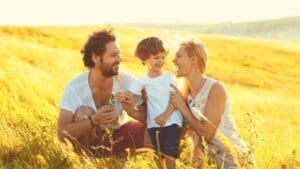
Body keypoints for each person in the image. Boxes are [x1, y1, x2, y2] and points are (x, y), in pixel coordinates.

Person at [57, 28, 147, 157]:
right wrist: (93, 120)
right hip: (91, 141)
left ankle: (121, 159)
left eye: (119, 54)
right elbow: (61, 134)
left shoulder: (126, 81)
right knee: (84, 113)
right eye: (113, 55)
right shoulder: (75, 88)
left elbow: (152, 118)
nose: (119, 59)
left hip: (120, 135)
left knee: (152, 131)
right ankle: (88, 162)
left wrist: (133, 111)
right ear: (95, 57)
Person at [169, 39, 256, 168]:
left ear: (193, 60)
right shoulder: (183, 94)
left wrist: (182, 107)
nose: (173, 60)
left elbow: (207, 134)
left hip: (233, 160)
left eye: (178, 56)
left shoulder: (215, 89)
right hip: (206, 162)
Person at [126, 37, 183, 169]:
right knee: (158, 157)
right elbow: (130, 96)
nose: (161, 61)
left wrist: (165, 116)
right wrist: (122, 96)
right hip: (154, 125)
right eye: (156, 58)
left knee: (170, 156)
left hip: (172, 122)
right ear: (144, 59)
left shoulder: (168, 76)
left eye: (163, 57)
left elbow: (176, 98)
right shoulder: (142, 81)